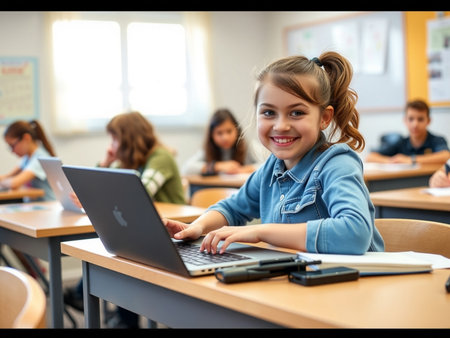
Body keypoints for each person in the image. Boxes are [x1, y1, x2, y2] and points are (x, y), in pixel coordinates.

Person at [164, 52, 384, 257]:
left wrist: (262, 232)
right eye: (269, 112)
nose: (281, 126)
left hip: (352, 288)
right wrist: (197, 227)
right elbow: (232, 208)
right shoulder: (273, 166)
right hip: (298, 283)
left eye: (296, 113)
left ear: (324, 118)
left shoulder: (337, 164)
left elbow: (355, 233)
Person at [64, 111, 186, 328]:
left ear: (129, 138)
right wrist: (107, 162)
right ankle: (122, 318)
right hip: (146, 228)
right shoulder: (129, 161)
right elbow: (106, 183)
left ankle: (117, 315)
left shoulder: (160, 157)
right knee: (119, 244)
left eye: (115, 138)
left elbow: (141, 192)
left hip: (173, 230)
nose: (112, 144)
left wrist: (95, 196)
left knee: (123, 248)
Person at [365, 99, 450, 165]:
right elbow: (370, 157)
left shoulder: (437, 140)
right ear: (405, 121)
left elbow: (446, 156)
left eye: (420, 119)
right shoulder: (401, 142)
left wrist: (410, 160)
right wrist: (391, 161)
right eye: (411, 119)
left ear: (428, 121)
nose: (415, 124)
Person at [181, 108, 263, 176]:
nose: (225, 138)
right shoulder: (208, 150)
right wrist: (217, 166)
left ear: (237, 130)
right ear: (211, 135)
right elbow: (186, 169)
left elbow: (268, 165)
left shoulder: (248, 145)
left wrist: (242, 170)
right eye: (219, 133)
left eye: (229, 131)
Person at [0, 120, 56, 201]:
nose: (12, 151)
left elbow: (14, 183)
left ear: (26, 138)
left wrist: (3, 182)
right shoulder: (27, 158)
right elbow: (9, 176)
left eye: (12, 145)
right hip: (33, 205)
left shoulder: (40, 158)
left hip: (47, 206)